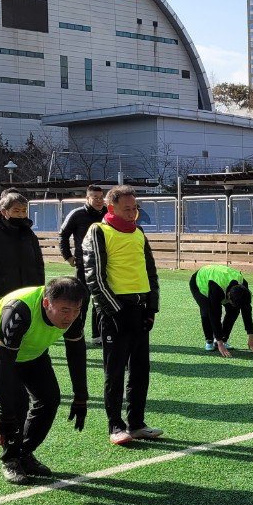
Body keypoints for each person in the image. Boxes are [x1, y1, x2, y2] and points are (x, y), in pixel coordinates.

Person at [0, 278, 89, 484]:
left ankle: (24, 454)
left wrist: (81, 396)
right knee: (17, 401)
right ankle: (10, 460)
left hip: (31, 353)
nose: (70, 316)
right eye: (64, 310)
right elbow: (5, 363)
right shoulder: (18, 311)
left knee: (49, 399)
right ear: (46, 303)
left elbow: (76, 352)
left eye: (76, 310)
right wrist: (5, 415)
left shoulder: (72, 313)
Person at [82, 184, 162, 445]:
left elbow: (150, 272)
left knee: (140, 371)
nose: (132, 212)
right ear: (111, 207)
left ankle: (137, 423)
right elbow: (94, 276)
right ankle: (115, 426)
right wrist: (114, 310)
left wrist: (151, 308)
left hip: (140, 311)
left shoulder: (139, 232)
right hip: (115, 313)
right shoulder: (98, 231)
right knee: (114, 372)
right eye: (126, 208)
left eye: (134, 208)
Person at [0, 190, 45, 307]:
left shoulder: (29, 235)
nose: (21, 215)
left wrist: (39, 287)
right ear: (4, 211)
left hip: (29, 295)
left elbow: (38, 264)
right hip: (1, 298)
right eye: (16, 211)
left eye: (24, 211)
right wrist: (2, 289)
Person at [58, 185, 106, 342]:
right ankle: (77, 333)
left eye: (101, 197)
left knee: (101, 299)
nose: (99, 201)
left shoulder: (108, 214)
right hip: (83, 264)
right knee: (82, 300)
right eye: (95, 198)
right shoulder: (77, 214)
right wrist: (68, 256)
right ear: (87, 198)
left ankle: (98, 335)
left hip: (104, 264)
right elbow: (63, 235)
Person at [189, 266, 253, 357]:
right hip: (199, 281)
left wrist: (251, 337)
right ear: (229, 295)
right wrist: (220, 344)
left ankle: (224, 338)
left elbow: (247, 312)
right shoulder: (216, 289)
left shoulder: (243, 285)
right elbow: (214, 315)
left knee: (234, 311)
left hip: (222, 281)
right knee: (207, 311)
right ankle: (209, 341)